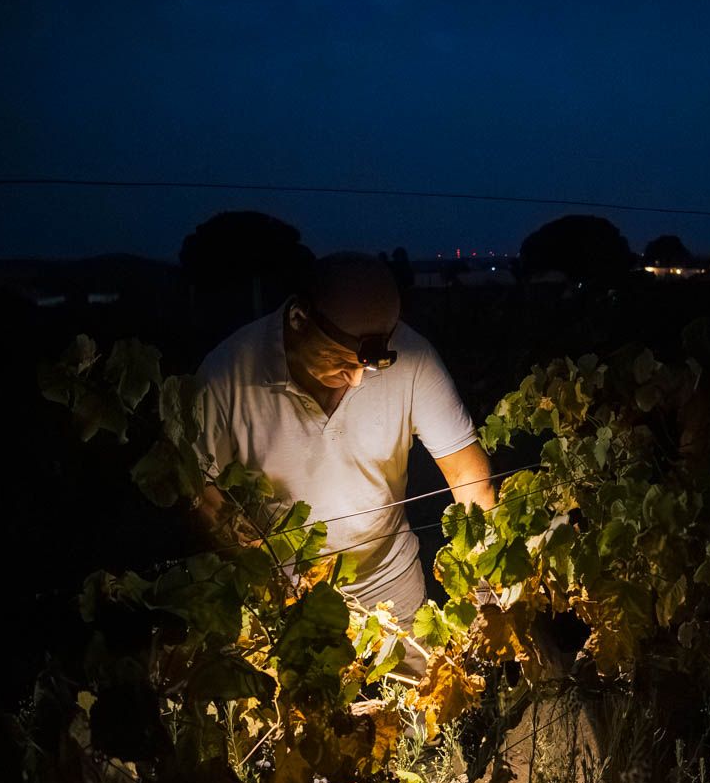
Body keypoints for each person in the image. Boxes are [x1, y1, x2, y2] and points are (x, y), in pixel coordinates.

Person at [192, 251, 495, 670]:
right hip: (285, 597)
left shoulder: (413, 358)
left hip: (391, 584)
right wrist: (271, 587)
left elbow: (468, 475)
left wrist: (490, 589)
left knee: (419, 725)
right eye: (339, 360)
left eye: (366, 365)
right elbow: (205, 497)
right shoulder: (226, 375)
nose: (356, 379)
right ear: (299, 319)